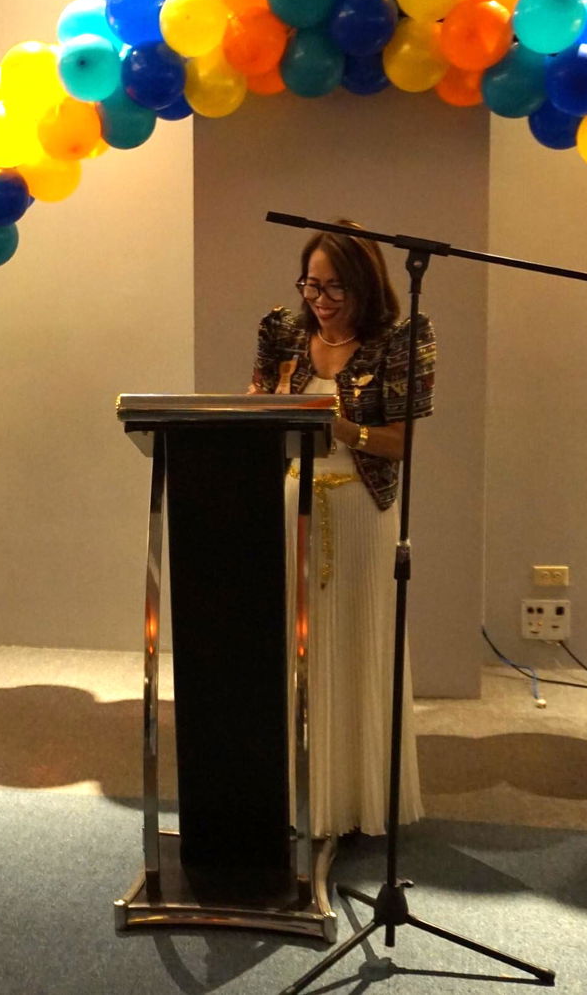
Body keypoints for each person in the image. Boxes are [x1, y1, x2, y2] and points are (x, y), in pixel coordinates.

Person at [248, 224, 436, 839]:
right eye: (312, 284)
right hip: (291, 504)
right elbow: (256, 407)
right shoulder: (283, 333)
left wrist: (341, 430)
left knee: (357, 647)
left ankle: (356, 804)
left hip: (361, 513)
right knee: (293, 651)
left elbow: (401, 443)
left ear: (364, 286)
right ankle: (298, 796)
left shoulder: (400, 341)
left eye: (335, 287)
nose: (320, 299)